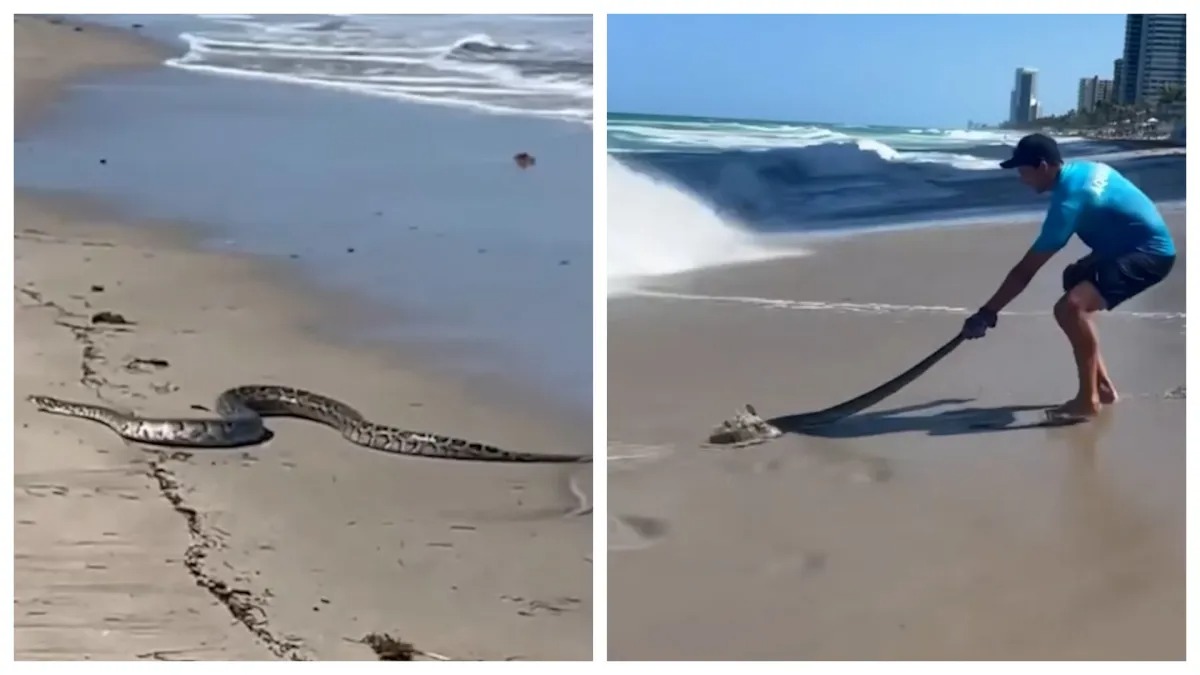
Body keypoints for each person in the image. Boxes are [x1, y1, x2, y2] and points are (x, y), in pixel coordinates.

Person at [961, 133, 1176, 419]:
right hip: (1129, 245)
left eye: (1023, 171)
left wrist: (987, 313)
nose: (1021, 178)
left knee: (1070, 309)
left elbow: (1025, 271)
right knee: (1074, 277)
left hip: (1150, 254)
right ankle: (1102, 387)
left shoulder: (1069, 203)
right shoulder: (1084, 169)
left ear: (1042, 166)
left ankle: (1088, 402)